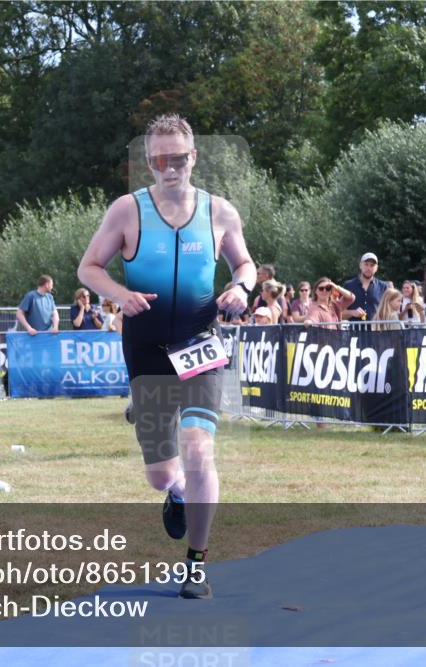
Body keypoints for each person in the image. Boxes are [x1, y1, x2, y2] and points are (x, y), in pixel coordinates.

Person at [77, 113, 256, 600]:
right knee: (160, 474)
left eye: (179, 158)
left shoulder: (219, 211)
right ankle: (175, 492)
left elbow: (244, 263)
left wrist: (240, 287)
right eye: (159, 160)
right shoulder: (127, 211)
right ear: (149, 163)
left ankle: (197, 563)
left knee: (200, 448)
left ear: (193, 157)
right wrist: (118, 293)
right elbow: (88, 267)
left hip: (200, 341)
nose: (170, 168)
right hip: (147, 347)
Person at [343, 252, 388, 321]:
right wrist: (352, 312)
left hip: (377, 330)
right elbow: (338, 313)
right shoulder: (348, 285)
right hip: (354, 331)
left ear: (376, 268)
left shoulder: (383, 286)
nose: (369, 268)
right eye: (366, 264)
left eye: (372, 265)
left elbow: (389, 312)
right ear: (360, 265)